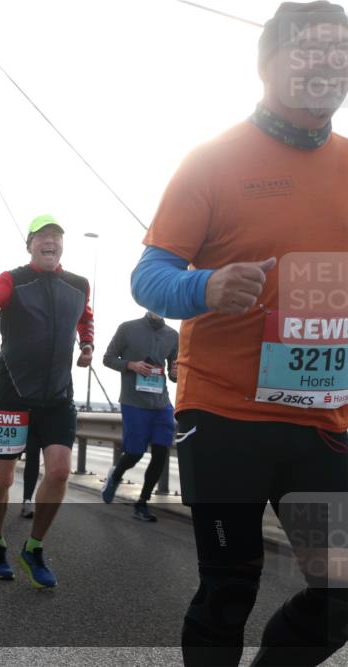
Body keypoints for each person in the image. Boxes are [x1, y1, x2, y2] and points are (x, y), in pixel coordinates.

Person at [131, 3, 348, 663]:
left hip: (321, 418)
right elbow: (148, 278)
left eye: (341, 50)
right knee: (230, 587)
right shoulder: (214, 161)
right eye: (313, 47)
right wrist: (207, 287)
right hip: (224, 412)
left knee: (340, 590)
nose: (330, 62)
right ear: (268, 62)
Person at [0, 214, 94, 587]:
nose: (50, 241)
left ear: (62, 245)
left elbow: (85, 317)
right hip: (13, 392)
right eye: (42, 236)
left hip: (58, 394)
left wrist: (87, 345)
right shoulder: (12, 279)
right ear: (29, 244)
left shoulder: (79, 284)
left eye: (56, 236)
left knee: (59, 471)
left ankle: (34, 548)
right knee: (3, 477)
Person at [101, 312, 179, 521]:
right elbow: (107, 359)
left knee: (161, 451)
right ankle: (115, 475)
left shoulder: (173, 335)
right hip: (134, 402)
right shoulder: (127, 328)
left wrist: (176, 372)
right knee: (135, 453)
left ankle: (142, 503)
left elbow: (174, 374)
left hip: (162, 403)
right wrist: (131, 365)